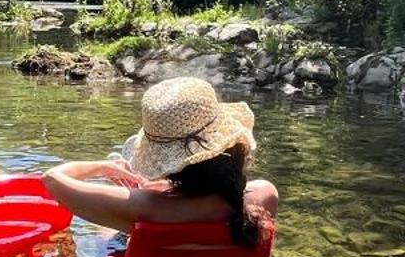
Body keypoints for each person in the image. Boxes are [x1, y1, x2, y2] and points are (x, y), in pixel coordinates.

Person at [43, 77, 278, 243]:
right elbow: (210, 199)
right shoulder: (264, 195)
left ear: (173, 168)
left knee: (104, 230)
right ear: (232, 145)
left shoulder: (147, 206)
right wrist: (167, 191)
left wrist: (105, 168)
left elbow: (53, 179)